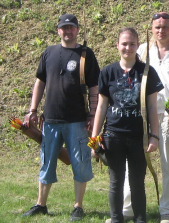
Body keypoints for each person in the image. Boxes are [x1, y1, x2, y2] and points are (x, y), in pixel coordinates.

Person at [22, 14, 100, 221]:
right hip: (50, 120)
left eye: (71, 28)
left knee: (80, 163)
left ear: (77, 30)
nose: (68, 31)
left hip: (77, 120)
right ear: (58, 30)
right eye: (64, 28)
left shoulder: (85, 54)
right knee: (46, 163)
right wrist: (32, 109)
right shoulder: (48, 52)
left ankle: (78, 206)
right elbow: (40, 82)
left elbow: (94, 86)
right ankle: (41, 204)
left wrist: (93, 114)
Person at [122, 12, 169, 223]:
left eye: (165, 26)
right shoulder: (142, 50)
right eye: (157, 27)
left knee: (168, 164)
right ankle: (127, 209)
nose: (161, 30)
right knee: (133, 162)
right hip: (143, 113)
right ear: (152, 29)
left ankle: (167, 212)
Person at [92, 27, 163, 223]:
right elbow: (101, 106)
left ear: (137, 46)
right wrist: (95, 137)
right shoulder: (107, 72)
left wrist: (154, 136)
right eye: (124, 43)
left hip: (138, 137)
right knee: (116, 182)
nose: (128, 48)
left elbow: (152, 107)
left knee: (137, 183)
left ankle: (140, 219)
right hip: (113, 136)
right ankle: (116, 219)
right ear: (117, 45)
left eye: (132, 44)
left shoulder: (147, 73)